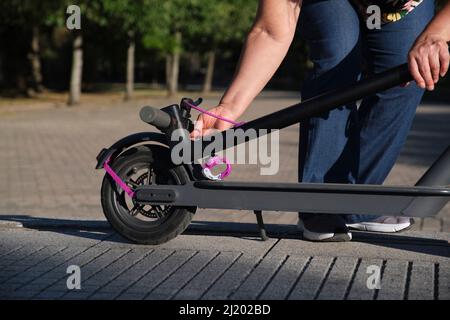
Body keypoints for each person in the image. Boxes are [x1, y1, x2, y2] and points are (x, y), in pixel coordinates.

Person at [191, 0, 450, 242]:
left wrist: (436, 34)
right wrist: (230, 106)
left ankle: (358, 204)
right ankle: (321, 204)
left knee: (409, 73)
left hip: (405, 6)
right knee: (338, 54)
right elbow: (272, 31)